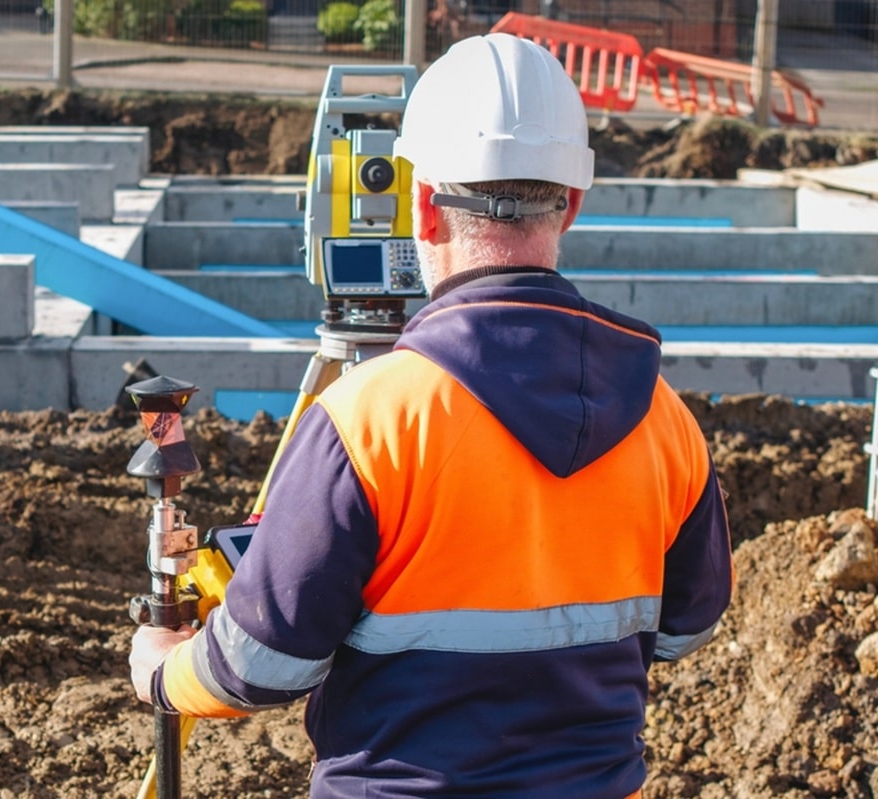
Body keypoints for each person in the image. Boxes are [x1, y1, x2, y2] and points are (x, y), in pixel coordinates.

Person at [130, 32, 734, 798]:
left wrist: (162, 671)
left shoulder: (371, 418)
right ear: (572, 205)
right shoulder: (664, 415)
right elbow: (688, 628)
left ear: (421, 203)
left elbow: (264, 663)